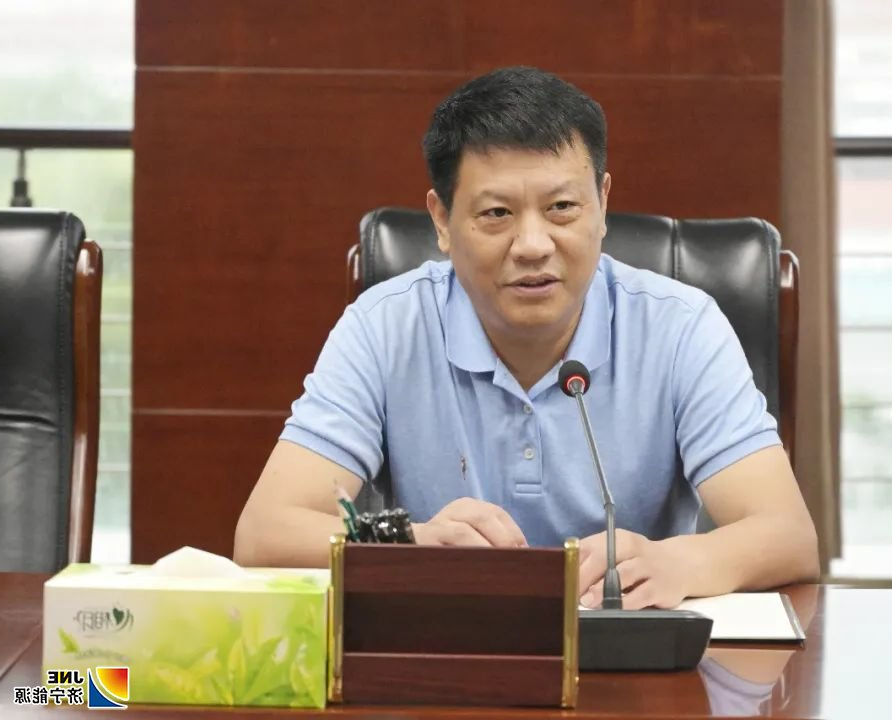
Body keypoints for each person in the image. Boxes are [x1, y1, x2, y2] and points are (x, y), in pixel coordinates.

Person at [234, 66, 818, 608]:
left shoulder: (681, 327)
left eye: (562, 207)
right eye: (497, 214)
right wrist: (415, 542)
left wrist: (681, 563)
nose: (533, 245)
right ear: (442, 221)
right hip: (449, 646)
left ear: (602, 204)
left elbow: (787, 534)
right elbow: (264, 534)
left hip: (629, 648)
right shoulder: (385, 326)